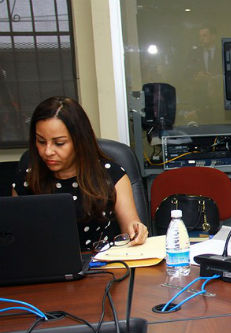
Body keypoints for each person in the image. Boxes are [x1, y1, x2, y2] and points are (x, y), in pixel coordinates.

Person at [12, 96, 148, 251]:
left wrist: (135, 231)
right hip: (43, 269)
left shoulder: (111, 175)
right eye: (41, 142)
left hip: (102, 268)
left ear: (80, 141)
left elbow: (130, 229)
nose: (48, 151)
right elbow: (16, 240)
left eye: (59, 143)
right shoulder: (27, 179)